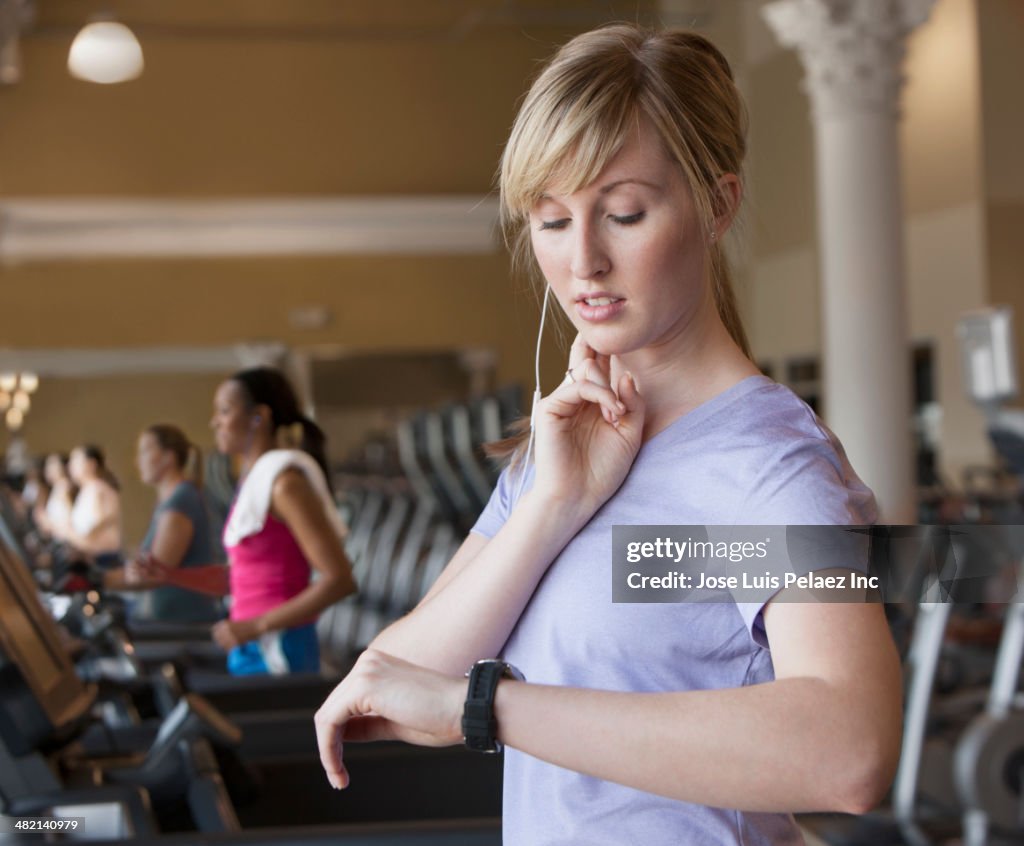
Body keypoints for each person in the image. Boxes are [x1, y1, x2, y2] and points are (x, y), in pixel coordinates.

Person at [313, 23, 902, 845]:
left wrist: (492, 708)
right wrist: (554, 504)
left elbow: (850, 751)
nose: (583, 259)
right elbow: (400, 687)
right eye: (551, 221)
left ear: (718, 202)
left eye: (623, 212)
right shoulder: (561, 447)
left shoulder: (766, 464)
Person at [135, 367, 357, 675]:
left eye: (224, 411)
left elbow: (339, 579)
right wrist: (171, 575)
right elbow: (239, 578)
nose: (215, 422)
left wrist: (255, 626)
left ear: (259, 417)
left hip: (279, 646)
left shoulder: (284, 484)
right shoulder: (254, 483)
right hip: (251, 642)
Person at [106, 425, 224, 623]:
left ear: (169, 457)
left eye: (145, 451)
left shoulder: (181, 499)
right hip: (166, 617)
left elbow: (156, 573)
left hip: (182, 623)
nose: (138, 460)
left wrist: (101, 579)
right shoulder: (168, 501)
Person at [65, 444, 122, 568]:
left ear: (91, 464)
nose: (71, 466)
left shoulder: (99, 489)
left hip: (102, 558)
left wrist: (65, 531)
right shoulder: (87, 490)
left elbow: (91, 531)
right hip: (94, 556)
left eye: (76, 461)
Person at [35, 453, 74, 540]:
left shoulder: (65, 487)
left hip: (67, 539)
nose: (47, 469)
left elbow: (70, 521)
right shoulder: (56, 488)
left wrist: (47, 521)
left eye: (52, 464)